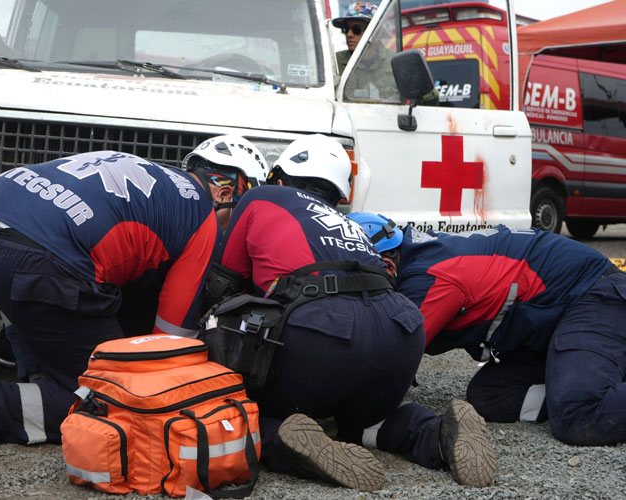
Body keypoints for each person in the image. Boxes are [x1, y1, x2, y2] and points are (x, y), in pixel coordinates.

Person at [0, 136, 268, 459]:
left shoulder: (145, 172)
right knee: (119, 405)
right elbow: (167, 348)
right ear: (232, 194)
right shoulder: (201, 219)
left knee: (57, 294)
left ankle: (32, 363)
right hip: (32, 264)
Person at [211, 134, 495, 491]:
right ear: (339, 193)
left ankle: (279, 435)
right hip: (402, 335)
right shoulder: (350, 223)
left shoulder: (261, 198)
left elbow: (221, 288)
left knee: (237, 389)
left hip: (324, 335)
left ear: (279, 177)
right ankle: (434, 433)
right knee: (362, 422)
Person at [350, 213, 626, 447]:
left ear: (386, 263)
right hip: (557, 316)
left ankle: (586, 384)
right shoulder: (415, 255)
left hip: (593, 296)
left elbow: (387, 361)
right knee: (489, 396)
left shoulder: (430, 280)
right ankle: (595, 375)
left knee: (578, 415)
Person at [332, 2, 377, 76]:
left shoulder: (393, 62)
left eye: (356, 29)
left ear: (374, 31)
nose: (349, 35)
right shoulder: (334, 63)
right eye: (345, 29)